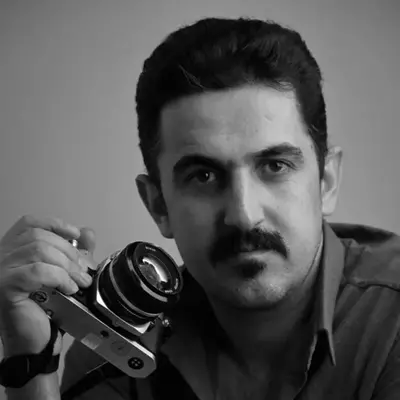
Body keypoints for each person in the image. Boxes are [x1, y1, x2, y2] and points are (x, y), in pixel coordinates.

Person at [0, 16, 400, 400]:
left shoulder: (392, 319)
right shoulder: (114, 351)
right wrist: (31, 365)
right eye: (204, 176)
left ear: (326, 182)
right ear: (158, 205)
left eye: (275, 167)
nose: (243, 215)